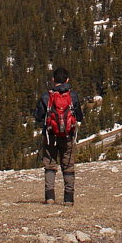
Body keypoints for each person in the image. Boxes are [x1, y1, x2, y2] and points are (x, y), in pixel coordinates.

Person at [33, 67, 85, 206]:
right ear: (67, 80)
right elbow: (79, 116)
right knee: (68, 165)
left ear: (53, 80)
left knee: (50, 165)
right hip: (67, 136)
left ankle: (50, 197)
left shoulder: (46, 96)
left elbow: (38, 115)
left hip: (50, 136)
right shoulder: (72, 96)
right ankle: (68, 199)